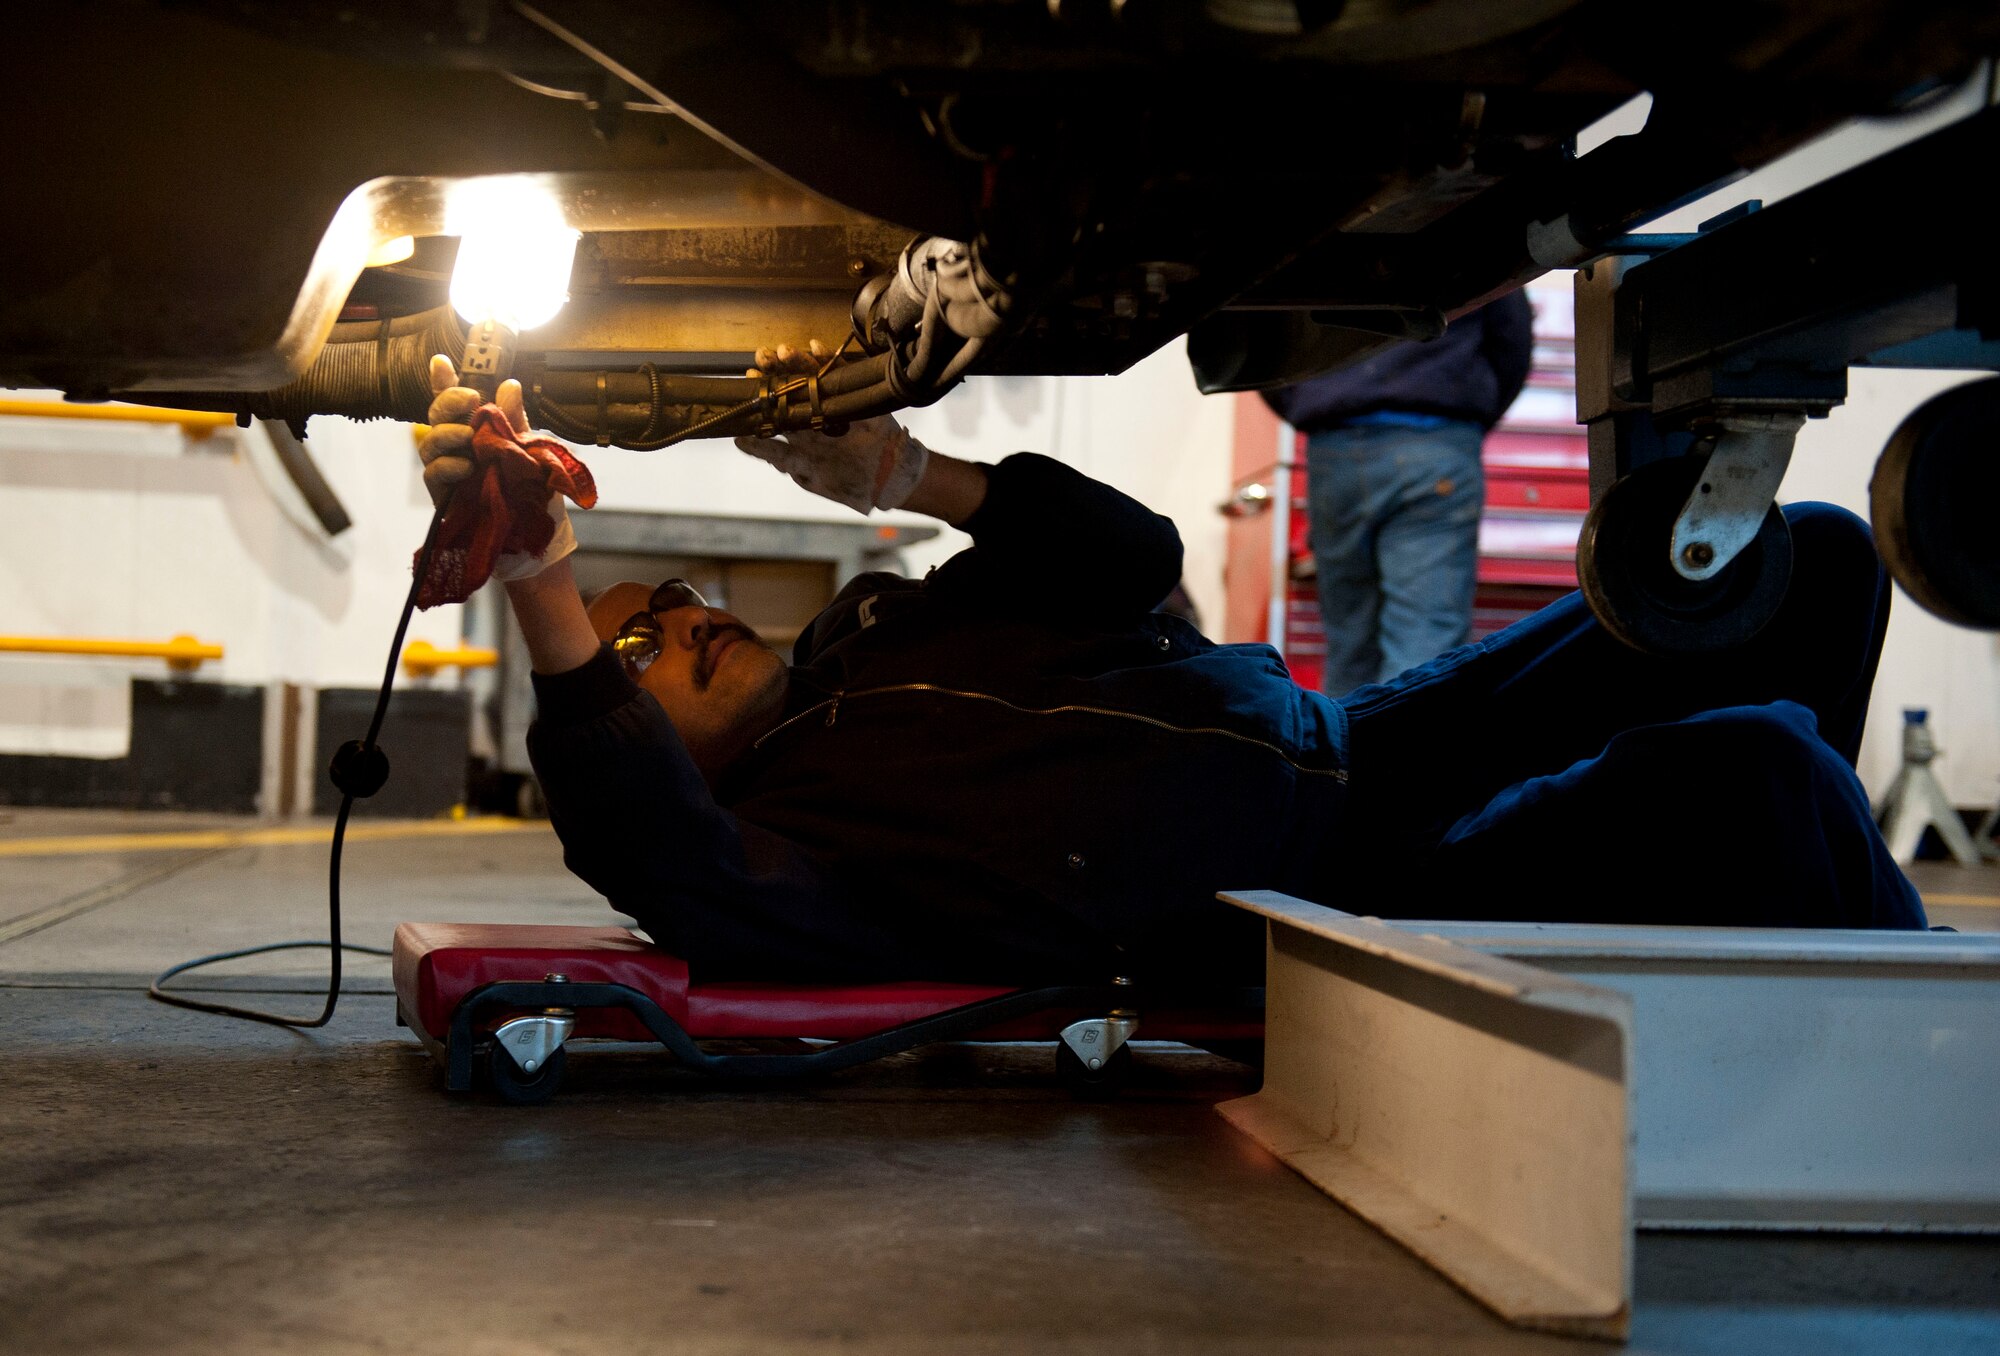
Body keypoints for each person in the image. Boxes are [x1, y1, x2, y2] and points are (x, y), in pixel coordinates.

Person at [418, 356, 1925, 987]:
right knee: (1759, 773)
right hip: (1346, 890)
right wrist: (544, 580)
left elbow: (1135, 562)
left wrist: (917, 472)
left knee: (1805, 562)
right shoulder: (797, 848)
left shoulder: (870, 641)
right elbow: (635, 836)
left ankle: (1795, 951)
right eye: (643, 643)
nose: (685, 619)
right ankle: (1917, 1034)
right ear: (632, 724)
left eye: (671, 595)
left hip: (1364, 741)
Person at [1263, 292, 1534, 695]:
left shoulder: (1306, 239)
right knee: (1425, 639)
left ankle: (1340, 756)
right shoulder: (1472, 232)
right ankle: (1406, 756)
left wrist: (1315, 404)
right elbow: (1511, 336)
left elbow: (1263, 347)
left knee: (1349, 643)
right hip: (1434, 440)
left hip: (1333, 451)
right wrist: (1466, 414)